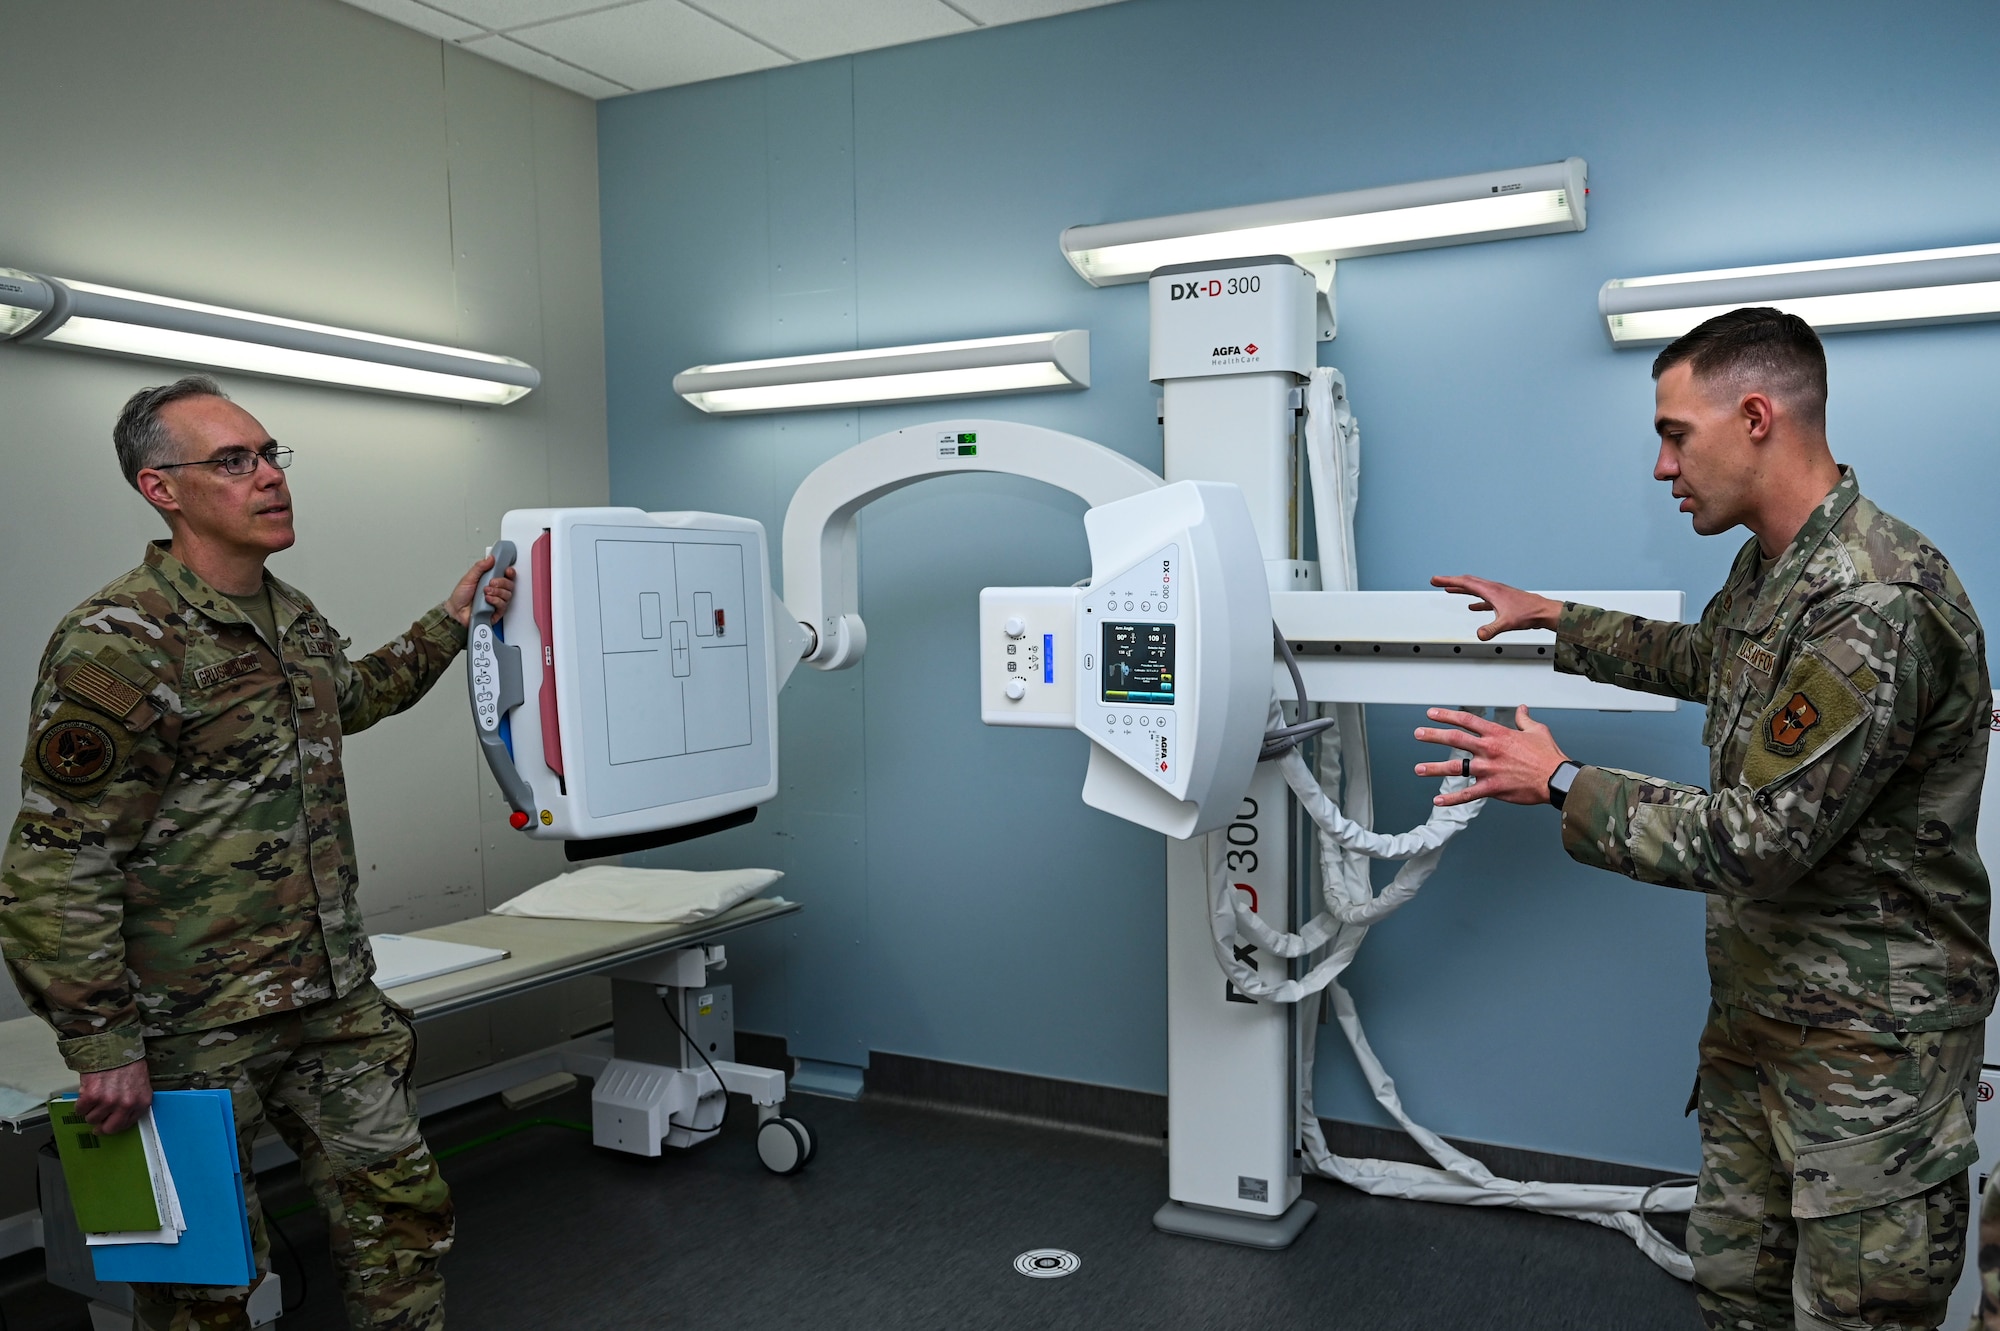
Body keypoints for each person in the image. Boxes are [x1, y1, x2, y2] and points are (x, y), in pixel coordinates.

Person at [1417, 308, 1993, 1331]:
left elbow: (1761, 839)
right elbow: (1707, 662)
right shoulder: (1777, 569)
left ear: (1755, 416)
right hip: (1761, 1024)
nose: (1658, 465)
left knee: (1852, 1314)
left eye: (1674, 433)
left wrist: (1559, 781)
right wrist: (1554, 619)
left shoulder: (1872, 599)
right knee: (1735, 1292)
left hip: (1866, 1065)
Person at [0, 375, 515, 1330]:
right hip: (193, 1024)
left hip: (331, 993)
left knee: (401, 1212)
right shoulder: (121, 641)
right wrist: (102, 1040)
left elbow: (352, 698)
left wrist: (454, 620)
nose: (268, 476)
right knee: (204, 1283)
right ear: (162, 489)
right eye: (233, 461)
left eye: (271, 453)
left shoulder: (292, 615)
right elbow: (57, 857)